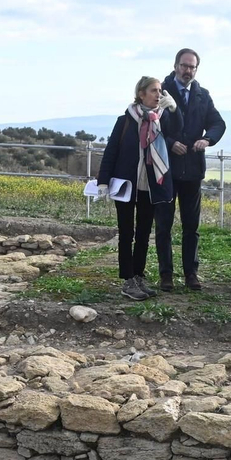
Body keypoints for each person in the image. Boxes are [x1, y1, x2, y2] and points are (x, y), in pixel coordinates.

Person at [96, 76, 177, 301]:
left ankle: (139, 275)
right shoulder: (125, 121)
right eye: (154, 91)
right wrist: (103, 181)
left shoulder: (162, 118)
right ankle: (127, 279)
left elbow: (177, 130)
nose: (158, 95)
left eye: (160, 91)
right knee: (126, 233)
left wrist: (175, 109)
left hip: (149, 186)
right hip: (126, 185)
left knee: (143, 234)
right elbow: (111, 151)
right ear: (141, 94)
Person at [156, 48, 226, 291]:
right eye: (184, 66)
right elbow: (150, 128)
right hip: (165, 169)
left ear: (196, 69)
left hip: (193, 169)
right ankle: (166, 274)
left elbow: (218, 123)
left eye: (192, 67)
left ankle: (191, 274)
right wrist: (169, 143)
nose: (188, 71)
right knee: (163, 225)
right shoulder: (159, 91)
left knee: (191, 226)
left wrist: (208, 140)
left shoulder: (202, 95)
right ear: (175, 65)